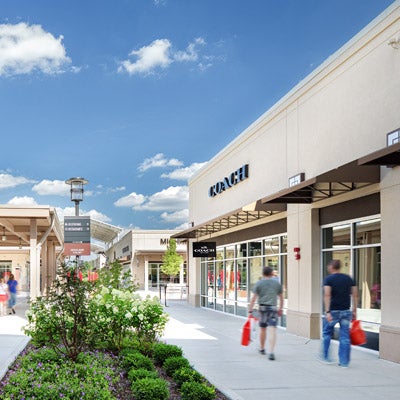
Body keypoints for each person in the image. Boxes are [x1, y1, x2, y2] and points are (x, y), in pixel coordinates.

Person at [321, 259, 358, 368]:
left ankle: (325, 357)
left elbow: (327, 295)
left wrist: (327, 311)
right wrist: (355, 310)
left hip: (333, 311)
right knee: (345, 337)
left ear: (332, 267)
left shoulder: (328, 279)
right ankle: (344, 362)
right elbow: (355, 295)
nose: (328, 267)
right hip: (346, 311)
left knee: (327, 333)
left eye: (329, 266)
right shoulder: (349, 279)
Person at [248, 266, 283, 360]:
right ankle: (271, 352)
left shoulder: (259, 283)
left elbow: (254, 298)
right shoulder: (276, 284)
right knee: (272, 330)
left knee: (263, 329)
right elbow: (281, 297)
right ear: (272, 273)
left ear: (263, 274)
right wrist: (280, 309)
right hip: (273, 309)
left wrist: (250, 310)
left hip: (262, 308)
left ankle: (262, 348)